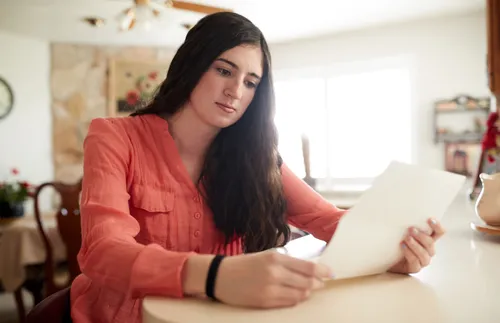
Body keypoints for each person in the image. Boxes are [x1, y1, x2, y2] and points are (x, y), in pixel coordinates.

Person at [70, 11, 445, 323]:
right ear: (192, 65)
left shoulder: (257, 157)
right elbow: (103, 251)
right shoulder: (114, 137)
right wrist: (215, 274)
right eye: (223, 70)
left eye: (251, 82)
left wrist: (392, 248)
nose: (236, 90)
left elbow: (325, 218)